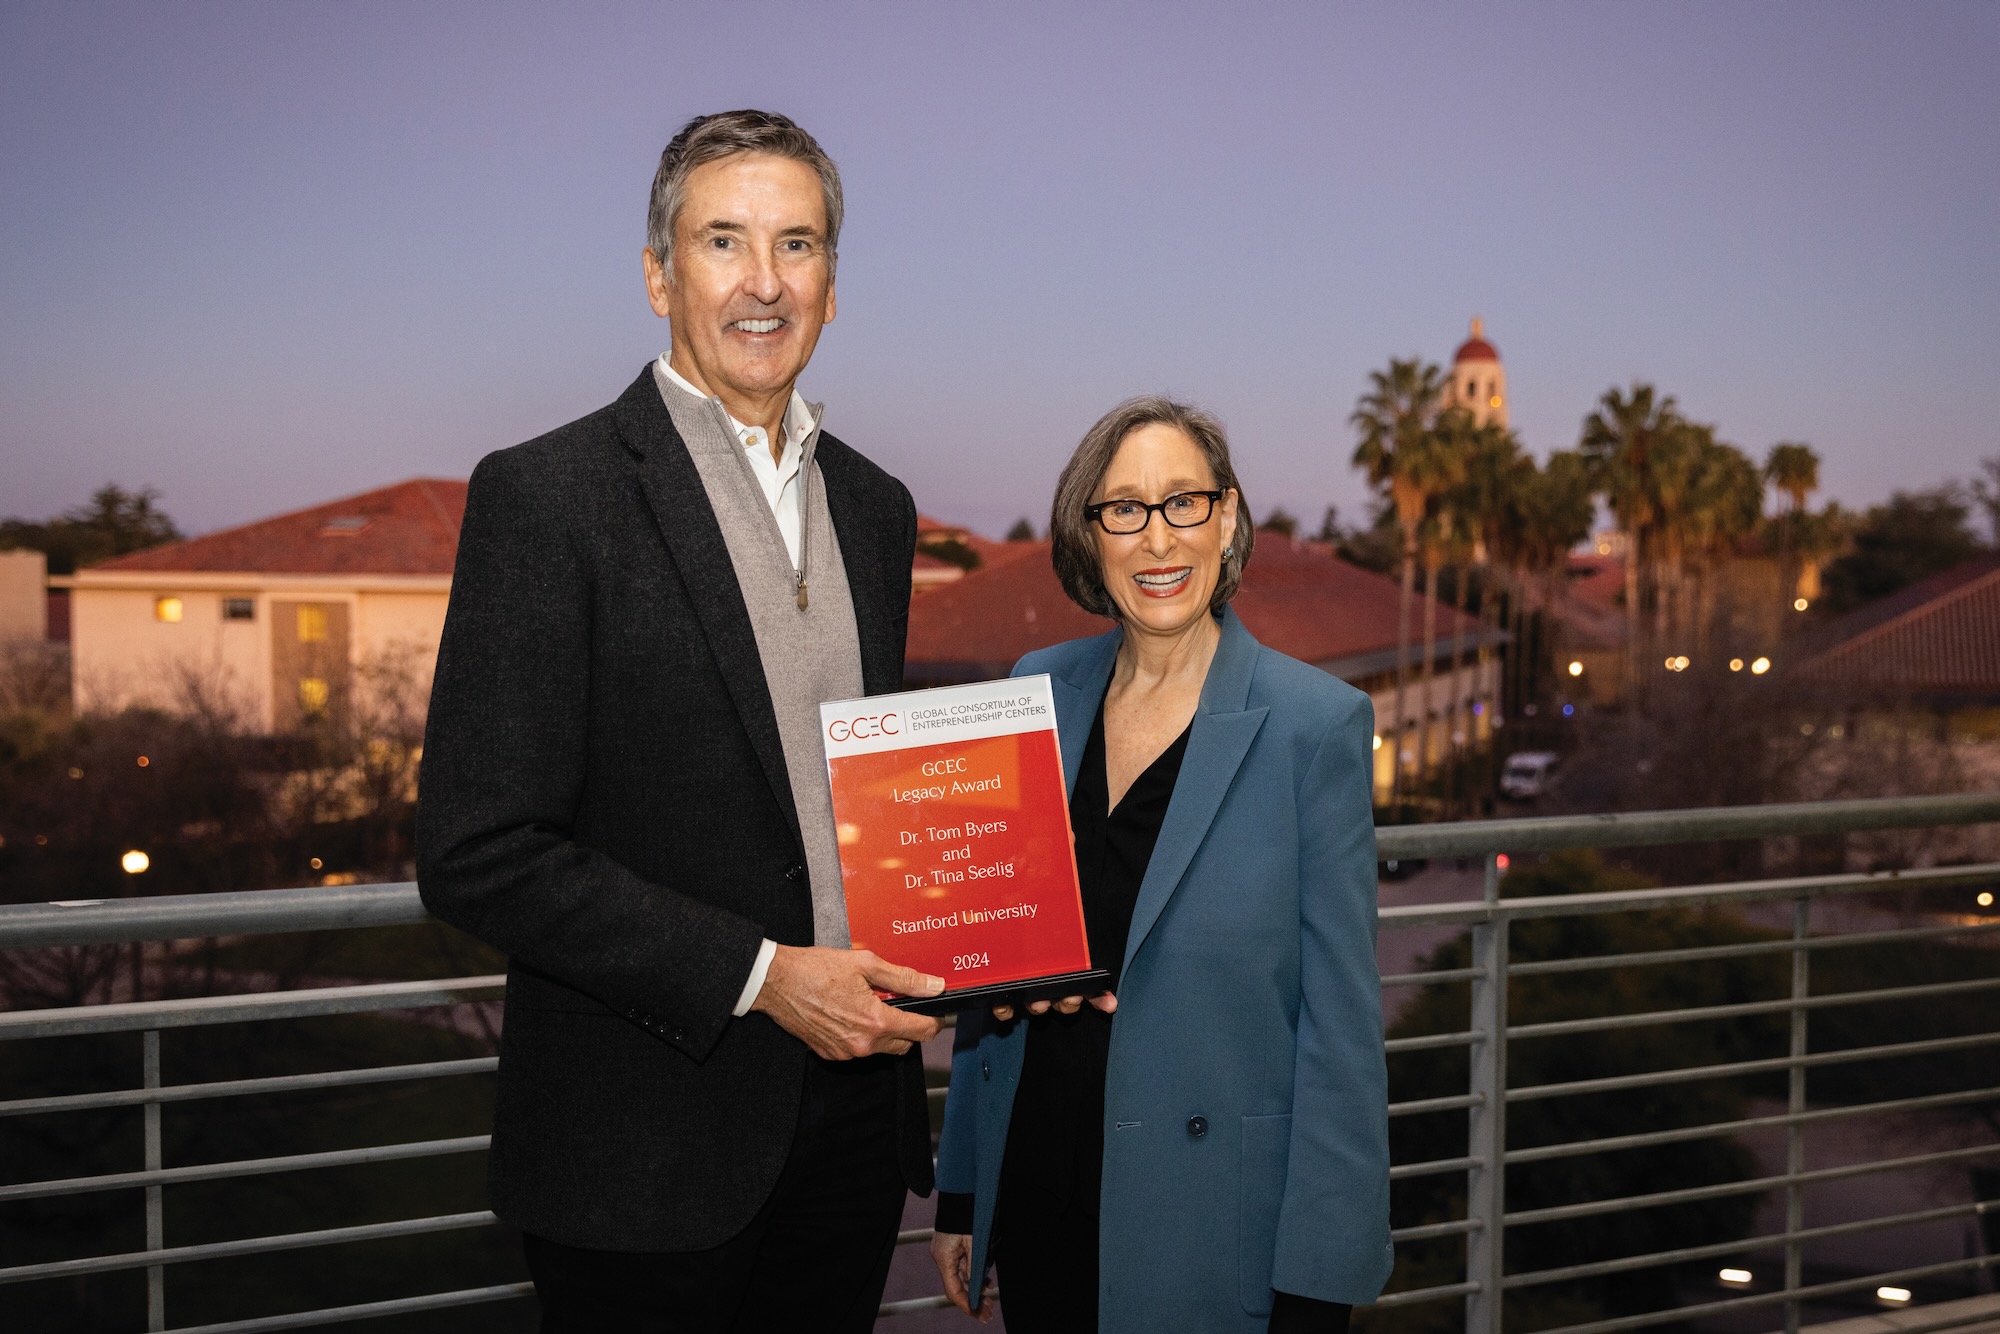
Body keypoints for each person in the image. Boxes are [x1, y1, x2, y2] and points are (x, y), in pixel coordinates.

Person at [417, 109, 944, 1333]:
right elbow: (477, 847)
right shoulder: (547, 497)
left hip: (855, 1126)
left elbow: (851, 794)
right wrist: (760, 978)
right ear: (659, 274)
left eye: (797, 245)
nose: (763, 283)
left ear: (831, 281)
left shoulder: (877, 506)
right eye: (723, 240)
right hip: (640, 1150)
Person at [929, 398, 1393, 1333]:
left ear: (1227, 518)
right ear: (1088, 536)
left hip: (1213, 1220)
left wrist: (1319, 1283)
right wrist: (964, 1191)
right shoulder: (1034, 691)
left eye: (1183, 501)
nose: (1157, 538)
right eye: (1125, 510)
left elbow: (1341, 1036)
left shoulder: (1315, 726)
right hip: (1040, 1195)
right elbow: (993, 968)